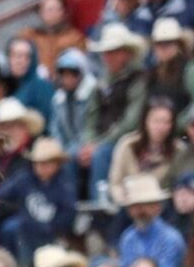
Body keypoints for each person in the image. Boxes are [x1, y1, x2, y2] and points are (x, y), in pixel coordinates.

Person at [0, 136, 76, 263]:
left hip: (52, 233)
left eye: (47, 163)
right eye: (38, 163)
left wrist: (51, 228)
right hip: (26, 231)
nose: (41, 167)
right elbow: (2, 194)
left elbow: (69, 213)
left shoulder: (64, 184)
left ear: (57, 164)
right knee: (12, 233)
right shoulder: (24, 179)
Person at [81, 23, 151, 196]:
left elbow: (131, 121)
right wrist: (89, 142)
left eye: (113, 52)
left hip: (127, 139)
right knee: (73, 154)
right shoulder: (101, 81)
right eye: (106, 52)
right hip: (101, 140)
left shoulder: (139, 79)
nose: (107, 57)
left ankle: (99, 206)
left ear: (126, 53)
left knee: (101, 155)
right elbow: (91, 116)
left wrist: (98, 144)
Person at [116, 174, 186, 267]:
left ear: (157, 207)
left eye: (145, 205)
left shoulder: (171, 239)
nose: (140, 210)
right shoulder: (127, 238)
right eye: (134, 206)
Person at [107, 98, 182, 208]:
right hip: (129, 204)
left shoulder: (178, 150)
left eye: (166, 122)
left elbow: (177, 188)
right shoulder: (127, 145)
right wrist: (123, 200)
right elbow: (115, 183)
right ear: (145, 121)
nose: (161, 127)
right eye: (156, 121)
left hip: (161, 206)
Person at [145, 18, 194, 111]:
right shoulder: (153, 73)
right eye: (159, 44)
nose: (163, 48)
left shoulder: (192, 69)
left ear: (179, 45)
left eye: (168, 43)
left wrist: (178, 121)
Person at [47, 49, 97, 168]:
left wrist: (72, 150)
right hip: (65, 148)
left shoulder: (92, 94)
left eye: (73, 73)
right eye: (64, 73)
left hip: (85, 148)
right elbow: (55, 127)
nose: (68, 78)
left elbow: (90, 127)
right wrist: (60, 149)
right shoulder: (58, 99)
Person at [19, 0, 85, 75]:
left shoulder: (74, 37)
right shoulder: (29, 35)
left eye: (57, 9)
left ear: (63, 12)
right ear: (41, 13)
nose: (53, 13)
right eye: (49, 10)